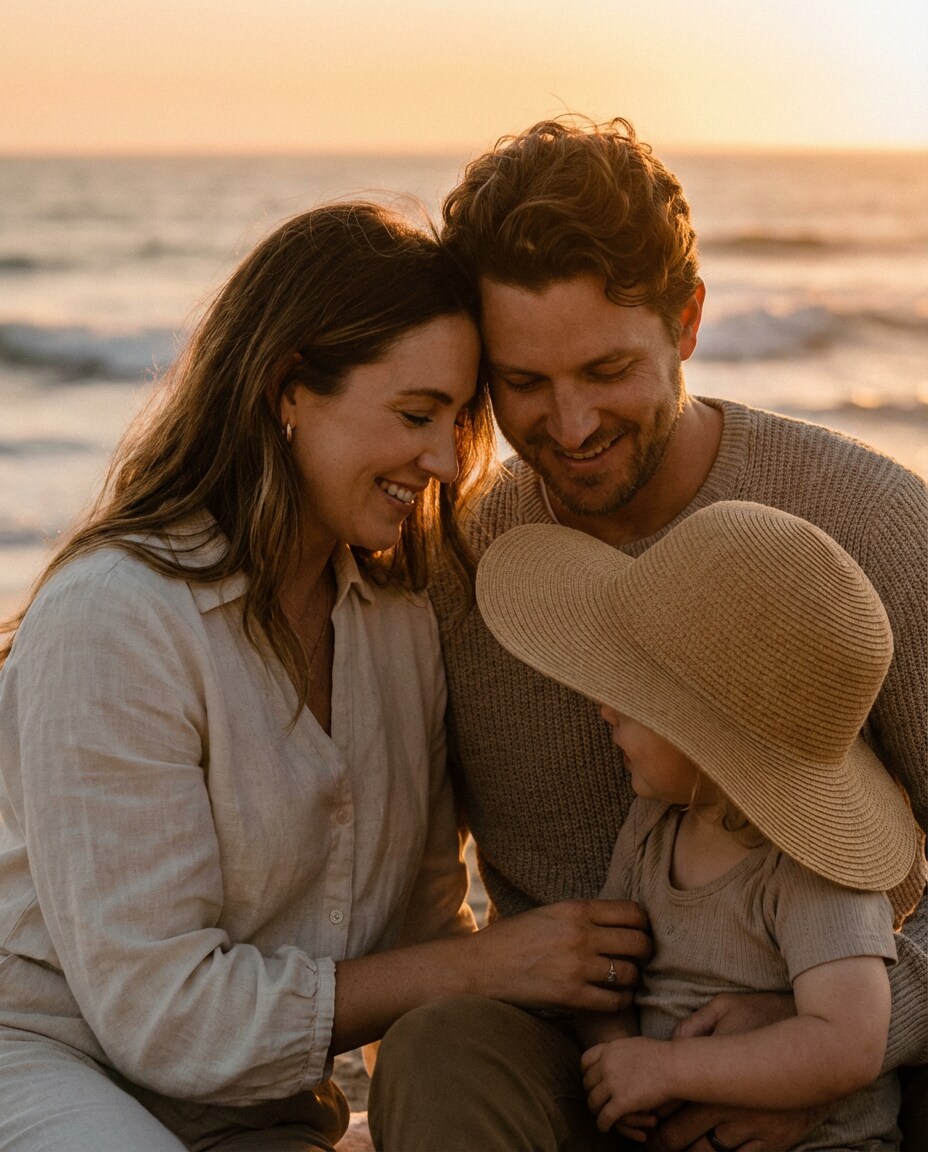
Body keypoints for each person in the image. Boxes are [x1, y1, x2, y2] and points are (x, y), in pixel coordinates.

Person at [0, 202, 651, 1151]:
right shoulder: (117, 619)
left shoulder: (399, 625)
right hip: (55, 1064)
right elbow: (165, 1017)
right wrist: (486, 968)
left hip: (260, 1106)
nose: (445, 461)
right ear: (288, 390)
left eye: (458, 420)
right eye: (416, 415)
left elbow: (422, 934)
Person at [368, 119, 927, 1152]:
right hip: (583, 1054)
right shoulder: (460, 558)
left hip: (838, 1045)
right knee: (438, 1050)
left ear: (688, 321)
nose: (571, 425)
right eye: (524, 384)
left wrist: (825, 1045)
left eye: (607, 368)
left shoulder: (873, 527)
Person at [475, 502, 926, 1150]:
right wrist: (617, 1058)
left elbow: (849, 1043)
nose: (603, 708)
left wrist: (667, 1068)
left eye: (630, 696)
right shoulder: (654, 824)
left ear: (707, 738)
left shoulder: (810, 871)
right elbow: (609, 971)